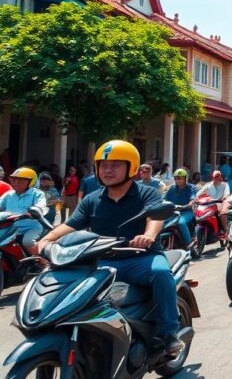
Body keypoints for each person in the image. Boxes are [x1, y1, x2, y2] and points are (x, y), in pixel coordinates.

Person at [35, 140, 185, 356]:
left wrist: (148, 236)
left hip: (140, 258)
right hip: (100, 261)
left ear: (131, 167)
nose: (107, 170)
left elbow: (154, 217)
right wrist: (46, 241)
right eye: (103, 165)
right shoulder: (91, 199)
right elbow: (69, 225)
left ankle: (169, 333)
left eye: (115, 165)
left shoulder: (147, 194)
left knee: (161, 274)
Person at [0, 167, 47, 253]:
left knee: (28, 242)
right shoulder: (8, 194)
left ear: (30, 182)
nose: (15, 183)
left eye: (20, 180)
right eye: (13, 180)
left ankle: (40, 262)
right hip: (10, 226)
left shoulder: (37, 193)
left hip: (31, 226)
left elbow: (41, 205)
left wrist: (35, 210)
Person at [164, 169, 198, 247]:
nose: (177, 180)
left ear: (185, 178)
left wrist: (190, 204)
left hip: (186, 211)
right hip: (173, 211)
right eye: (176, 178)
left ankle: (188, 244)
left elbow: (193, 199)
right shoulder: (172, 188)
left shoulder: (191, 187)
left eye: (180, 178)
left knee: (181, 223)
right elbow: (164, 199)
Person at [200, 170, 231, 240]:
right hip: (209, 203)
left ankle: (225, 231)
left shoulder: (225, 185)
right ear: (212, 177)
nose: (216, 178)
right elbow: (200, 193)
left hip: (221, 202)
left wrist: (222, 198)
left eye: (218, 177)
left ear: (220, 177)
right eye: (215, 177)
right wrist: (200, 196)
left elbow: (227, 194)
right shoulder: (208, 185)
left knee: (221, 213)